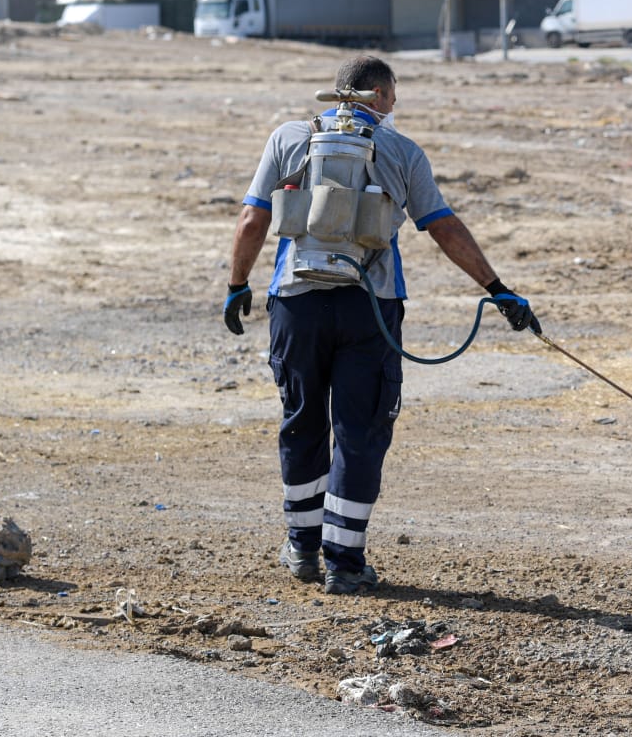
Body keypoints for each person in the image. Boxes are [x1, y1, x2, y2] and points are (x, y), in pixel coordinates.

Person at [223, 54, 539, 595]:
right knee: (360, 429)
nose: (396, 105)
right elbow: (441, 226)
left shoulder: (288, 138)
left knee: (302, 420)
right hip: (371, 308)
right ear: (379, 95)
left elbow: (254, 217)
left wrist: (237, 286)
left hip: (296, 302)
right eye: (394, 95)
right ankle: (344, 562)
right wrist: (497, 288)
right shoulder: (401, 150)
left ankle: (302, 548)